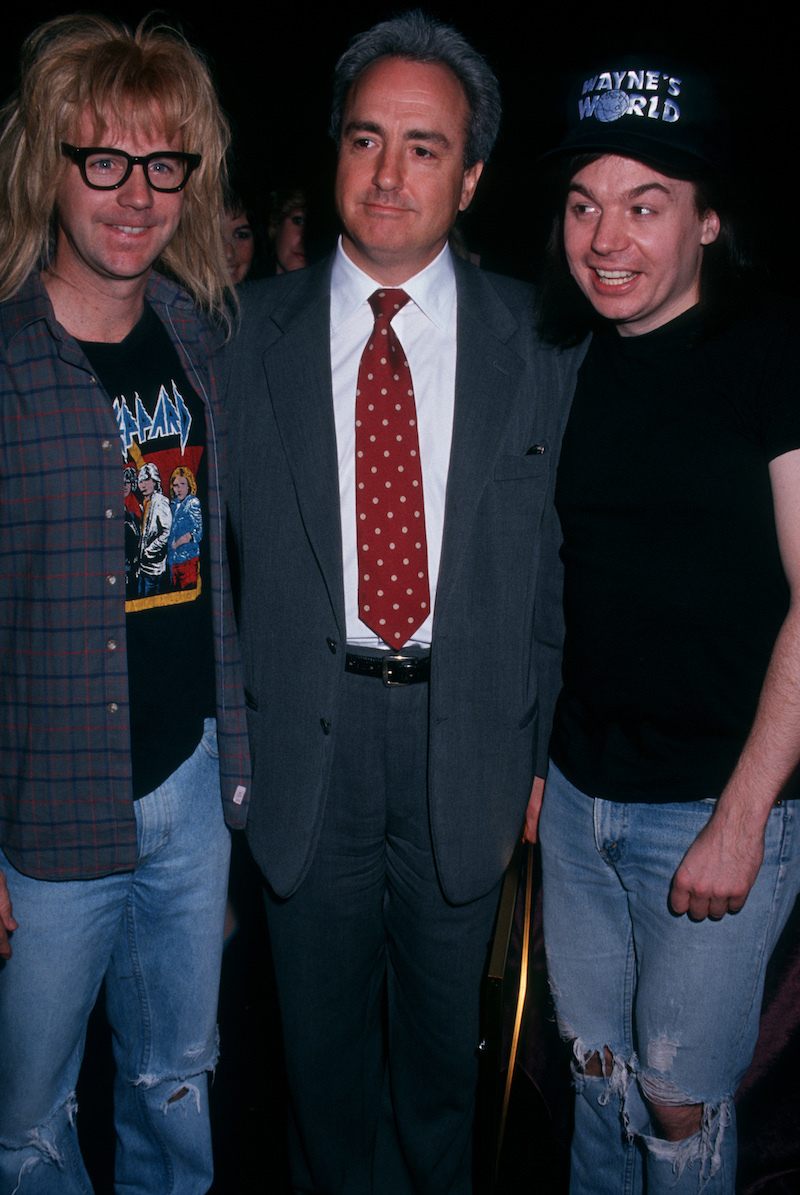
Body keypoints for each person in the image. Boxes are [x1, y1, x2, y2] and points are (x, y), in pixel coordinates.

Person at [224, 11, 582, 1193]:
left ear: (471, 176)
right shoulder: (237, 339)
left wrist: (540, 756)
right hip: (298, 763)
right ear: (332, 150)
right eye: (366, 139)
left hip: (466, 756)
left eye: (424, 148)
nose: (388, 174)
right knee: (317, 1083)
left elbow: (561, 574)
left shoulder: (544, 341)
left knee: (441, 1077)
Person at [532, 59, 800, 1194]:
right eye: (584, 203)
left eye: (643, 205)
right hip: (576, 797)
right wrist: (535, 765)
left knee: (676, 1099)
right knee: (594, 1076)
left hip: (711, 803)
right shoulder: (564, 361)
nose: (605, 238)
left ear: (706, 219)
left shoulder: (768, 353)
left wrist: (740, 818)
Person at [0, 14, 250, 1193]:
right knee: (31, 1122)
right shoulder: (4, 364)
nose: (135, 194)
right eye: (102, 159)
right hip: (43, 814)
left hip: (190, 790)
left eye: (163, 164)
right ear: (47, 168)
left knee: (177, 1080)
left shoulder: (197, 339)